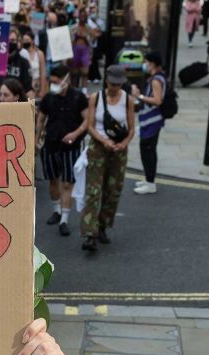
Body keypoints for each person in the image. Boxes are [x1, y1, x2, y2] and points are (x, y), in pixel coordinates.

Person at [81, 65, 134, 253]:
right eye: (112, 83)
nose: (115, 87)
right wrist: (104, 141)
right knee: (94, 191)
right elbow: (90, 126)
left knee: (113, 191)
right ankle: (90, 234)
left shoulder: (127, 100)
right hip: (98, 147)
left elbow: (132, 128)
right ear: (106, 81)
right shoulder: (96, 98)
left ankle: (103, 226)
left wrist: (123, 143)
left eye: (119, 84)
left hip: (119, 151)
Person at [38, 63, 89, 237]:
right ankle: (56, 210)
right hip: (50, 145)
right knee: (53, 180)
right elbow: (41, 119)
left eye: (56, 81)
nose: (53, 84)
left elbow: (87, 120)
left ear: (66, 80)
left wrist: (76, 134)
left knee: (67, 183)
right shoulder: (48, 98)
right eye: (51, 81)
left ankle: (64, 220)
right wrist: (35, 140)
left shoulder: (78, 97)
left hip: (71, 147)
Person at [130, 51, 167, 195]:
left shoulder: (156, 80)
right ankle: (148, 179)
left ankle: (150, 184)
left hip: (152, 121)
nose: (144, 64)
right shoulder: (156, 78)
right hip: (150, 120)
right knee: (148, 150)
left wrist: (138, 95)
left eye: (146, 62)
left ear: (152, 63)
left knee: (148, 151)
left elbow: (157, 101)